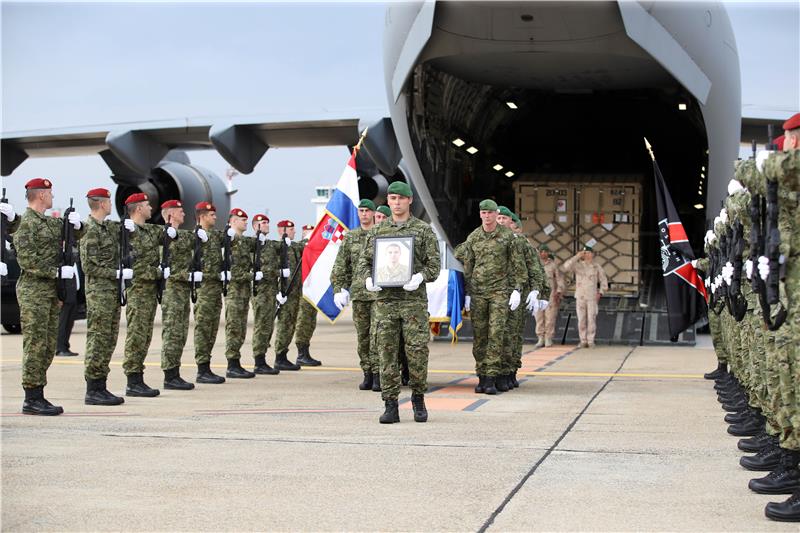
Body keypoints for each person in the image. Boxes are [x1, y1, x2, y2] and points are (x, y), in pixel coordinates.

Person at [358, 181, 440, 423]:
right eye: (392, 198)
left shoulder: (423, 230)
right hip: (385, 302)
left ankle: (418, 399)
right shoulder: (377, 232)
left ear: (410, 200)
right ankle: (390, 404)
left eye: (400, 198)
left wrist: (420, 277)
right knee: (386, 353)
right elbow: (364, 262)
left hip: (412, 302)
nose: (396, 203)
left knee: (416, 352)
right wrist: (367, 279)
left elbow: (434, 266)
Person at [6, 178, 84, 415]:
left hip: (50, 292)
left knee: (48, 344)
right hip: (33, 292)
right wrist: (57, 272)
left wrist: (78, 225)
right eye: (49, 193)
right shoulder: (25, 224)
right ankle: (32, 397)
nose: (52, 197)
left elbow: (76, 234)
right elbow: (27, 261)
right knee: (36, 345)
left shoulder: (48, 223)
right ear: (41, 195)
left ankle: (39, 393)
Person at [457, 200, 525, 395]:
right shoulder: (474, 237)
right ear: (480, 215)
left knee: (496, 334)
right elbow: (464, 259)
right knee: (480, 336)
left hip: (500, 293)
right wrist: (468, 291)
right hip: (478, 293)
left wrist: (517, 290)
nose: (486, 216)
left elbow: (518, 266)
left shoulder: (508, 237)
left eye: (490, 213)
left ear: (496, 214)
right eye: (483, 213)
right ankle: (482, 375)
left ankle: (491, 378)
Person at [81, 187, 133, 405]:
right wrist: (116, 273)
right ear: (102, 204)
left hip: (110, 293)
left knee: (109, 338)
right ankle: (93, 389)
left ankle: (101, 385)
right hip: (98, 293)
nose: (112, 205)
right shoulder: (90, 229)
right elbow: (89, 266)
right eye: (109, 201)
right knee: (98, 338)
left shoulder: (107, 227)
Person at [122, 192, 172, 397]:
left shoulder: (150, 230)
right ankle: (133, 380)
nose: (152, 208)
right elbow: (139, 267)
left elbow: (173, 235)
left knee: (145, 336)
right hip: (138, 291)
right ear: (138, 208)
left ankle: (138, 378)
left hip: (150, 292)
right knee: (136, 335)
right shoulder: (126, 231)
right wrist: (159, 272)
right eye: (147, 205)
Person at [332, 199, 379, 390]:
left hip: (378, 295)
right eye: (361, 211)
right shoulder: (350, 237)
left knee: (378, 336)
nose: (364, 214)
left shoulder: (381, 235)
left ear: (374, 214)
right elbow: (341, 265)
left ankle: (378, 374)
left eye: (368, 211)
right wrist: (338, 289)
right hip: (359, 295)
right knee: (363, 337)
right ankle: (367, 372)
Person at [159, 199, 201, 390]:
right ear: (170, 214)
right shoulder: (163, 236)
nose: (184, 214)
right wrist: (188, 275)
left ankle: (175, 372)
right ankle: (169, 375)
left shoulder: (181, 235)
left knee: (181, 332)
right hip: (172, 290)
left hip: (182, 291)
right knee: (173, 332)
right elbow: (167, 268)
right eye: (180, 211)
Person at [193, 201, 229, 384]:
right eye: (212, 215)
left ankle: (207, 366)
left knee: (213, 328)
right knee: (203, 328)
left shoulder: (215, 236)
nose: (215, 217)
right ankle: (201, 368)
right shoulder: (194, 237)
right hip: (204, 289)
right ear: (202, 217)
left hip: (215, 288)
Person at [222, 208, 257, 378]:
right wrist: (252, 275)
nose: (245, 222)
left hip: (243, 291)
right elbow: (233, 270)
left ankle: (236, 362)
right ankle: (232, 364)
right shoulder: (228, 240)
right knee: (234, 327)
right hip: (234, 291)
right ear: (233, 221)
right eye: (242, 220)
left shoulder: (242, 241)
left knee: (241, 328)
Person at [250, 214, 281, 375]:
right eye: (263, 223)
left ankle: (263, 358)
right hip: (260, 291)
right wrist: (276, 271)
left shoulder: (268, 244)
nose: (266, 225)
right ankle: (258, 361)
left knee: (268, 325)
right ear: (255, 226)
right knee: (261, 325)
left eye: (267, 222)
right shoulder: (253, 244)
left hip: (271, 291)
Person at [560, 245, 608, 348]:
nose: (587, 255)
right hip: (580, 296)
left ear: (592, 254)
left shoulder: (596, 266)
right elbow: (565, 267)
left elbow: (603, 280)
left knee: (591, 319)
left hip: (591, 297)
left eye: (589, 253)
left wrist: (601, 292)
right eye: (585, 253)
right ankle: (583, 340)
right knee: (581, 319)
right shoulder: (578, 265)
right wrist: (577, 256)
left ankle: (590, 340)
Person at [272, 219, 303, 371]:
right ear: (281, 230)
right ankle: (279, 356)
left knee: (291, 324)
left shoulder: (293, 247)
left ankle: (284, 354)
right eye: (291, 229)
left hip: (295, 293)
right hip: (284, 293)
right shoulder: (277, 248)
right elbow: (273, 271)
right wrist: (278, 291)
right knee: (284, 324)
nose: (294, 232)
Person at [293, 223, 322, 367]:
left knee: (310, 321)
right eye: (307, 232)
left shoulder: (316, 249)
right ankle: (301, 353)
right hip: (303, 290)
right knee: (304, 321)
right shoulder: (298, 247)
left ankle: (305, 351)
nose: (309, 235)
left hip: (313, 289)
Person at [534, 244, 564, 348]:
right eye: (541, 251)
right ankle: (540, 338)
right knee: (539, 317)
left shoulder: (553, 265)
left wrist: (559, 291)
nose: (543, 253)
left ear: (548, 253)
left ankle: (548, 338)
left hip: (550, 294)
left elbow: (559, 279)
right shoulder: (534, 264)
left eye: (545, 251)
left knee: (550, 317)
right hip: (538, 293)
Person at [55, 251, 81, 357]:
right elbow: (57, 279)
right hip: (64, 295)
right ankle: (60, 348)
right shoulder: (61, 260)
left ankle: (65, 346)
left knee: (69, 323)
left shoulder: (73, 260)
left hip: (73, 294)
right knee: (62, 323)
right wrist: (58, 297)